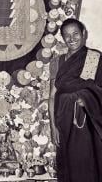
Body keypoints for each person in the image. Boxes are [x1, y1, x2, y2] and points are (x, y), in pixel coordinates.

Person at [49, 18, 102, 182]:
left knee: (89, 165)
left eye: (75, 34)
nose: (71, 39)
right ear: (63, 38)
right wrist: (53, 127)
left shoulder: (95, 58)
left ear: (84, 34)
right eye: (67, 36)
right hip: (64, 121)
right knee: (68, 166)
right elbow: (51, 96)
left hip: (89, 123)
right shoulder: (57, 62)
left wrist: (88, 99)